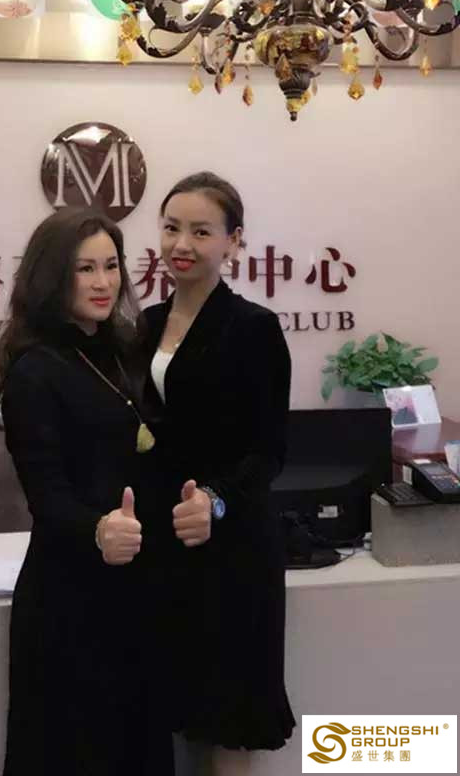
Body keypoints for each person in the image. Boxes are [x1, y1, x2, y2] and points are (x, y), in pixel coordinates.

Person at [0, 207, 173, 776]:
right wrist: (97, 529)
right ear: (52, 276)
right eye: (84, 268)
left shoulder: (125, 349)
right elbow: (46, 496)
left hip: (137, 587)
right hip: (70, 598)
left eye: (111, 266)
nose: (103, 282)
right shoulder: (35, 370)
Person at [143, 172, 296, 775]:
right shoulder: (144, 324)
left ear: (234, 241)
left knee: (227, 724)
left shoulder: (253, 327)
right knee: (179, 710)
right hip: (165, 542)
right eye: (171, 228)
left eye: (201, 232)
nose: (181, 244)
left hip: (232, 550)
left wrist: (216, 499)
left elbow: (269, 451)